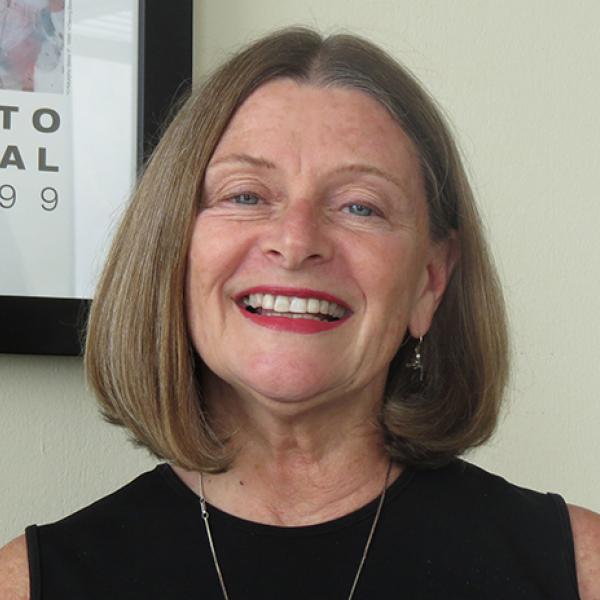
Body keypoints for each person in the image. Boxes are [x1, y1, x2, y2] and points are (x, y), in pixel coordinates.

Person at [1, 27, 599, 599]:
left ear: (430, 281)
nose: (295, 241)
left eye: (360, 207)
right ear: (172, 255)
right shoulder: (27, 585)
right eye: (245, 196)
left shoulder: (582, 569)